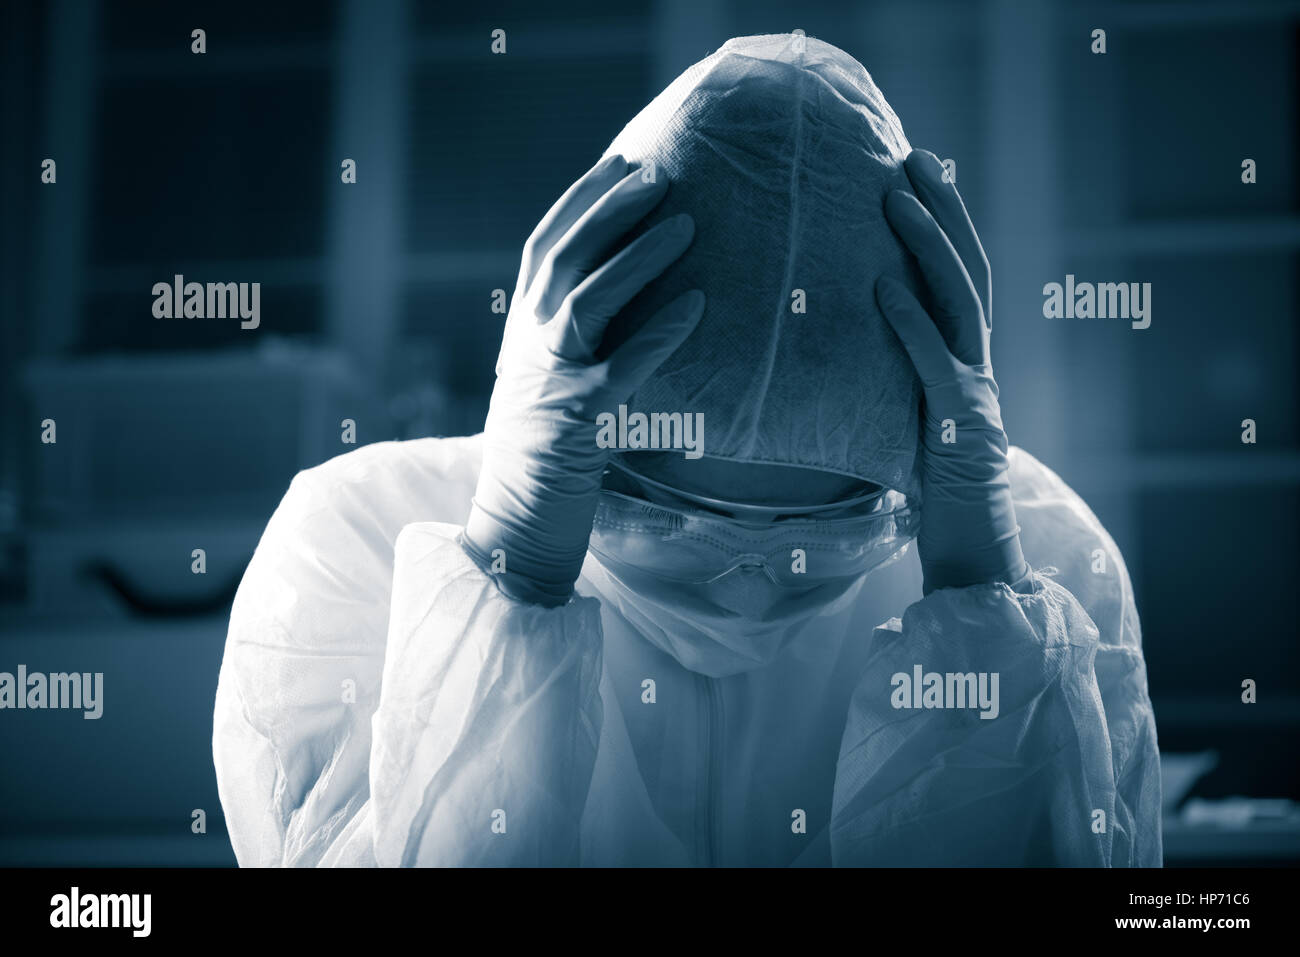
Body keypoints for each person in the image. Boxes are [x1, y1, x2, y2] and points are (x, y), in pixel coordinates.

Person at [213, 34, 1161, 867]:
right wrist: (511, 575)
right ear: (585, 430)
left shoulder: (1046, 559)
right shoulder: (353, 542)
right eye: (672, 519)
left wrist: (979, 605)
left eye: (818, 533)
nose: (748, 589)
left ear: (906, 481)